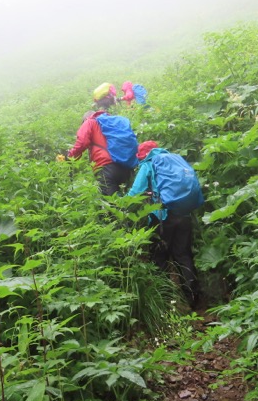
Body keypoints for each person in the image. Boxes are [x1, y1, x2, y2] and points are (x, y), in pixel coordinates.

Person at [128, 140, 205, 309]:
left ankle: (164, 301)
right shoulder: (176, 160)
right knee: (183, 255)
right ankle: (193, 298)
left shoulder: (149, 164)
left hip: (162, 216)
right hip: (184, 214)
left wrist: (120, 206)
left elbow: (134, 194)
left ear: (143, 155)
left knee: (159, 257)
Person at [65, 110, 138, 196]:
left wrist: (70, 156)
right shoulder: (113, 123)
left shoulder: (90, 122)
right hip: (127, 168)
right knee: (125, 202)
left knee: (111, 205)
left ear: (85, 119)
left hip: (106, 168)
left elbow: (82, 142)